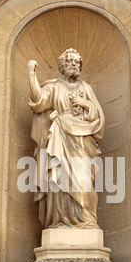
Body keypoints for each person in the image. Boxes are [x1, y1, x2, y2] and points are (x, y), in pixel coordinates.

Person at [28, 48, 105, 229]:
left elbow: (99, 117)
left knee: (83, 180)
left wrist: (85, 103)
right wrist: (31, 74)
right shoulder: (55, 87)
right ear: (62, 66)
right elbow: (38, 102)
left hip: (82, 141)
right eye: (69, 61)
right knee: (58, 176)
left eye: (76, 62)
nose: (73, 64)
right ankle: (60, 220)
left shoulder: (86, 88)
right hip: (60, 135)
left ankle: (87, 220)